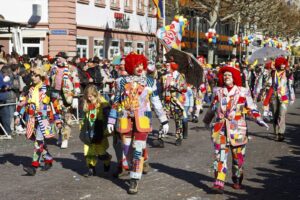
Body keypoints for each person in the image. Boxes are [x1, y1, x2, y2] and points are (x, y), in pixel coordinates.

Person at [107, 52, 169, 194]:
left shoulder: (149, 82)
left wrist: (164, 120)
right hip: (125, 119)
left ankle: (134, 179)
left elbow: (156, 102)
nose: (140, 67)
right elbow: (116, 103)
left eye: (141, 64)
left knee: (138, 148)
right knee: (127, 149)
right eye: (136, 65)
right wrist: (111, 120)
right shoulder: (121, 82)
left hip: (143, 119)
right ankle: (132, 168)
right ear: (130, 66)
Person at [203, 65, 269, 193]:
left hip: (238, 129)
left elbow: (251, 108)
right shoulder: (219, 92)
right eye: (225, 75)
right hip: (220, 128)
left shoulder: (243, 91)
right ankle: (219, 182)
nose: (227, 77)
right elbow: (212, 107)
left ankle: (237, 178)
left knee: (237, 159)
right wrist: (206, 120)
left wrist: (259, 119)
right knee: (219, 157)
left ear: (235, 78)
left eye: (229, 75)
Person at [15, 67, 54, 175]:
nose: (33, 77)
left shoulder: (47, 88)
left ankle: (34, 166)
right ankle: (48, 159)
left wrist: (58, 118)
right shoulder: (29, 88)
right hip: (32, 118)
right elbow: (23, 102)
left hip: (43, 119)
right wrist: (18, 115)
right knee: (38, 141)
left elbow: (53, 103)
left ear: (40, 76)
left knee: (38, 141)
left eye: (35, 75)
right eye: (32, 75)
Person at [50, 52, 81, 148]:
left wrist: (75, 97)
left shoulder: (71, 69)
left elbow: (76, 83)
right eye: (57, 58)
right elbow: (49, 81)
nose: (57, 60)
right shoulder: (53, 68)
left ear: (64, 59)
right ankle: (60, 135)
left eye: (59, 58)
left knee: (67, 118)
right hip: (56, 96)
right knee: (57, 118)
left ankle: (65, 138)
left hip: (67, 97)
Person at [80, 85, 112, 177]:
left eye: (91, 96)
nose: (89, 98)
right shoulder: (87, 104)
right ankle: (91, 169)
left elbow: (108, 116)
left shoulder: (103, 103)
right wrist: (82, 126)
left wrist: (106, 128)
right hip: (89, 129)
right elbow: (84, 117)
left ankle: (107, 160)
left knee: (100, 151)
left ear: (95, 94)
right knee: (88, 150)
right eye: (87, 96)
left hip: (99, 129)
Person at [266, 57, 295, 141]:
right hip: (274, 96)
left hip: (284, 96)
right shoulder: (273, 72)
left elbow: (290, 86)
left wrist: (292, 96)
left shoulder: (288, 73)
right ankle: (276, 132)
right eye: (281, 63)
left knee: (282, 114)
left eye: (284, 63)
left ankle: (281, 133)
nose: (282, 65)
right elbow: (268, 83)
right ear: (278, 64)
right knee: (275, 115)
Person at [161, 62, 187, 146]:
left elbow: (184, 88)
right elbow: (161, 88)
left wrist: (175, 85)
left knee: (178, 120)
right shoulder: (164, 76)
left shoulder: (180, 76)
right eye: (166, 65)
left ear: (173, 66)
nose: (166, 67)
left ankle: (179, 137)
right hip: (166, 101)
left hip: (176, 101)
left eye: (168, 65)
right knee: (163, 118)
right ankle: (160, 137)